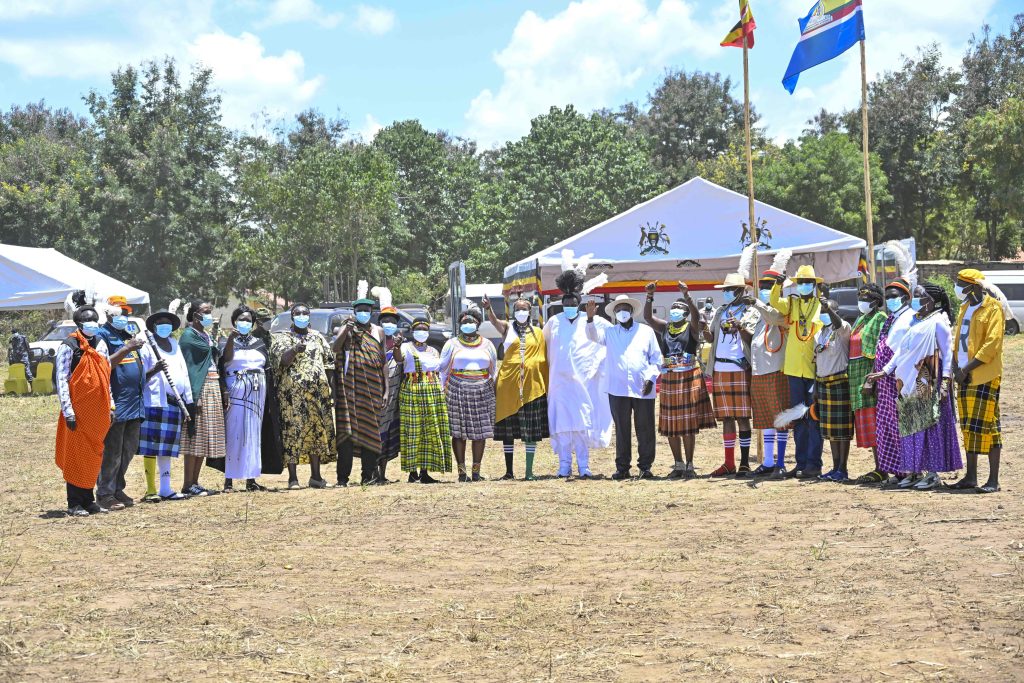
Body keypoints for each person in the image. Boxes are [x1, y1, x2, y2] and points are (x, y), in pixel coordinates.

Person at [868, 282, 961, 490]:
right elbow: (901, 351)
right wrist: (885, 371)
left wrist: (946, 381)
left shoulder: (939, 322)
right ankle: (914, 470)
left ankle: (934, 473)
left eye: (920, 296)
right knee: (912, 429)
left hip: (928, 379)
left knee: (930, 427)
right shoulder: (916, 320)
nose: (915, 300)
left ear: (931, 300)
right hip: (908, 382)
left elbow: (947, 354)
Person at [543, 261, 612, 479]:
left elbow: (612, 339)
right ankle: (564, 465)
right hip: (559, 382)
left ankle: (584, 465)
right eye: (566, 303)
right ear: (561, 304)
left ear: (579, 303)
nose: (569, 306)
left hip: (584, 382)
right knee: (562, 423)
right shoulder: (554, 322)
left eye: (573, 303)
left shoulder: (593, 321)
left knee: (582, 424)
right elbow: (541, 345)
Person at [643, 281, 715, 479]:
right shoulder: (665, 327)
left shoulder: (691, 328)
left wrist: (687, 296)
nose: (675, 310)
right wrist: (650, 295)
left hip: (689, 376)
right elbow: (648, 317)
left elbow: (696, 316)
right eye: (674, 307)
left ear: (685, 314)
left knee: (687, 422)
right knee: (671, 424)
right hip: (669, 377)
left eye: (679, 308)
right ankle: (678, 464)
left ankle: (690, 464)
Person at [586, 294, 661, 480]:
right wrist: (589, 318)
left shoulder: (646, 331)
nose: (622, 313)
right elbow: (592, 336)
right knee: (622, 428)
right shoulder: (610, 333)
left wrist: (651, 379)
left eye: (625, 309)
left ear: (632, 312)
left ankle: (645, 466)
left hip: (643, 387)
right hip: (617, 388)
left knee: (645, 428)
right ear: (615, 314)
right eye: (618, 310)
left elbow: (657, 358)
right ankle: (622, 467)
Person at [54, 305, 112, 516]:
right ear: (78, 324)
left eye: (95, 320)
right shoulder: (68, 346)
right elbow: (61, 380)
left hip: (99, 411)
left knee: (94, 454)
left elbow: (106, 378)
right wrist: (68, 411)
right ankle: (74, 503)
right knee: (76, 455)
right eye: (88, 320)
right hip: (77, 410)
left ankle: (89, 501)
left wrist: (110, 405)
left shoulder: (101, 344)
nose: (92, 324)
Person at [270, 303, 335, 489]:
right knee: (292, 432)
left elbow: (329, 364)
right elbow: (281, 361)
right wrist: (294, 350)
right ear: (291, 317)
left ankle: (316, 477)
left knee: (315, 432)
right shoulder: (282, 338)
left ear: (309, 316)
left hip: (317, 394)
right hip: (291, 396)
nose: (301, 315)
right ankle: (293, 478)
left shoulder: (317, 337)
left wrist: (333, 392)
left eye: (305, 313)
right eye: (297, 313)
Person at [951, 269, 1005, 493]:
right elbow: (958, 339)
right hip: (963, 377)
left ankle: (993, 480)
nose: (956, 287)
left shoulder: (992, 308)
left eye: (960, 284)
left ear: (973, 286)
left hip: (983, 375)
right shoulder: (965, 307)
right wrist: (955, 367)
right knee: (968, 426)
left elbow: (992, 345)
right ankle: (970, 476)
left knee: (988, 425)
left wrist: (966, 368)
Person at [486, 294, 549, 480]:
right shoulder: (507, 328)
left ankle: (529, 471)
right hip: (508, 384)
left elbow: (543, 357)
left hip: (532, 385)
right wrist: (488, 308)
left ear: (530, 312)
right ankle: (509, 471)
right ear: (514, 312)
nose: (521, 312)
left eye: (524, 309)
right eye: (518, 309)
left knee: (530, 428)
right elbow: (494, 321)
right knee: (508, 428)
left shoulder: (538, 332)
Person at [769, 264, 824, 478]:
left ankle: (814, 463)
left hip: (813, 368)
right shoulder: (792, 303)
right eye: (800, 282)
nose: (804, 286)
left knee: (812, 416)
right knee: (797, 417)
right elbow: (774, 302)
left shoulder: (821, 305)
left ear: (815, 285)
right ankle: (801, 463)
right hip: (793, 368)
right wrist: (778, 285)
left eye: (808, 282)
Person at [95, 296, 146, 510]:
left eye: (126, 313)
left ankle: (117, 487)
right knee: (113, 450)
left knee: (129, 448)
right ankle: (105, 493)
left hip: (135, 402)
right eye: (118, 313)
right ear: (108, 314)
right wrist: (127, 348)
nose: (123, 317)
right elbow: (102, 365)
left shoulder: (126, 334)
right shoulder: (102, 335)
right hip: (117, 402)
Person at [334, 283, 387, 486]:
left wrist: (386, 389)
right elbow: (335, 349)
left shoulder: (379, 332)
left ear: (372, 312)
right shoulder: (347, 329)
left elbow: (382, 361)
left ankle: (368, 476)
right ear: (354, 312)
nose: (363, 313)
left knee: (371, 432)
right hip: (350, 391)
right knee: (347, 433)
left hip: (372, 390)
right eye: (359, 310)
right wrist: (345, 330)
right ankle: (342, 478)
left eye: (366, 310)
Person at [742, 264, 791, 478]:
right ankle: (768, 461)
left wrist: (757, 303)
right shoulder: (759, 313)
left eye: (767, 286)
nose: (763, 290)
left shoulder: (783, 308)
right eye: (761, 287)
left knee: (779, 417)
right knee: (764, 418)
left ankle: (781, 462)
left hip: (775, 370)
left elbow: (774, 317)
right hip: (759, 371)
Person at [139, 310, 194, 502]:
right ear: (154, 327)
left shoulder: (173, 343)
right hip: (155, 402)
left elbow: (183, 371)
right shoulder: (147, 346)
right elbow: (141, 377)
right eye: (161, 324)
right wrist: (155, 370)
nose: (165, 327)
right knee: (152, 446)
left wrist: (188, 400)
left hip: (174, 401)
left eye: (168, 324)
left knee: (167, 448)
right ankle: (151, 489)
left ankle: (165, 487)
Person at [440, 308, 497, 481]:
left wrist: (491, 389)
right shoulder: (451, 344)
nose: (468, 325)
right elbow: (443, 369)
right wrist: (444, 389)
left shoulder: (487, 344)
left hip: (482, 389)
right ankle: (462, 472)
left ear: (478, 323)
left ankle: (476, 472)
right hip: (457, 389)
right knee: (459, 433)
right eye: (464, 322)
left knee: (479, 432)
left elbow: (493, 369)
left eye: (471, 322)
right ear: (459, 325)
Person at [708, 272, 756, 477]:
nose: (725, 293)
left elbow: (751, 338)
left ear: (739, 291)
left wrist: (740, 326)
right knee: (726, 417)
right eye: (724, 290)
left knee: (743, 416)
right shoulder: (720, 311)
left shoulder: (750, 311)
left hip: (739, 367)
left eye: (728, 290)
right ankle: (729, 462)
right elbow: (712, 337)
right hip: (720, 367)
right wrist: (703, 330)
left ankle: (744, 462)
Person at [869, 278, 916, 483]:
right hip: (884, 379)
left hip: (899, 378)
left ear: (906, 298)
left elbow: (906, 350)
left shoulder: (911, 318)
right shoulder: (892, 318)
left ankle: (910, 470)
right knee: (888, 426)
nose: (889, 300)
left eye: (894, 296)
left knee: (902, 425)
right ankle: (897, 470)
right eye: (887, 297)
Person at [394, 317, 450, 482]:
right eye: (418, 328)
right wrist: (396, 346)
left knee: (429, 430)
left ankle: (425, 472)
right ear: (413, 331)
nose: (422, 332)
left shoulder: (433, 350)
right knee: (412, 430)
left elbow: (439, 371)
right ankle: (412, 473)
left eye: (425, 329)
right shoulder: (406, 347)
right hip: (412, 389)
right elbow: (398, 359)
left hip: (432, 391)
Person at [178, 300, 224, 497]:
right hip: (199, 388)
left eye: (210, 311)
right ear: (195, 314)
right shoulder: (188, 337)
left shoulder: (205, 335)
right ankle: (187, 483)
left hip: (213, 385)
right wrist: (192, 397)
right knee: (194, 438)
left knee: (204, 438)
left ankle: (196, 482)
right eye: (205, 312)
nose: (208, 315)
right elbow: (187, 368)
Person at [220, 305, 268, 492]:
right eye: (241, 319)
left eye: (248, 320)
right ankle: (229, 479)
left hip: (257, 389)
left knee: (253, 433)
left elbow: (266, 365)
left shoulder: (259, 342)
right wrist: (231, 338)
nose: (245, 323)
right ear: (234, 322)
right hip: (236, 388)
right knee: (234, 432)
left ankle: (251, 478)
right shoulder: (226, 341)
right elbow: (226, 360)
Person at [849, 284, 890, 484]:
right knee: (868, 423)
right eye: (860, 298)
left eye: (865, 299)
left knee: (876, 422)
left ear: (875, 301)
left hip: (870, 375)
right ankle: (878, 466)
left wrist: (872, 378)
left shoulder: (880, 318)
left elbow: (880, 349)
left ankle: (883, 467)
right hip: (857, 375)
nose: (861, 302)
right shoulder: (861, 319)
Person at [813, 295, 854, 482]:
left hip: (839, 383)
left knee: (842, 430)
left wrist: (828, 309)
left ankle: (843, 469)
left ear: (835, 312)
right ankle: (835, 466)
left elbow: (838, 324)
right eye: (821, 311)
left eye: (827, 311)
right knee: (830, 431)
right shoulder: (819, 333)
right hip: (823, 384)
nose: (824, 314)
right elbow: (817, 361)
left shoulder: (842, 329)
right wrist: (815, 387)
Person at [252, 307, 284, 478]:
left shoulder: (271, 338)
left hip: (270, 385)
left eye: (270, 320)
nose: (268, 323)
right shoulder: (251, 339)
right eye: (265, 320)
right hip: (254, 386)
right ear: (257, 322)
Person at [377, 295, 404, 483]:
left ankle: (383, 473)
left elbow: (401, 360)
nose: (388, 324)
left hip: (394, 396)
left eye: (392, 321)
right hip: (375, 394)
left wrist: (397, 347)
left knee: (387, 435)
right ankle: (371, 472)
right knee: (376, 432)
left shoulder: (399, 342)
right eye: (385, 320)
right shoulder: (373, 339)